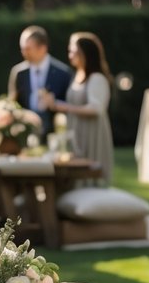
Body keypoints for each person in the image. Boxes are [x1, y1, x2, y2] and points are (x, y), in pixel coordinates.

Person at [39, 31, 114, 184]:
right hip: (77, 133)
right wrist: (54, 103)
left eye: (74, 51)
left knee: (89, 176)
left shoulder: (97, 78)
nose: (70, 55)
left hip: (92, 134)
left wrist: (64, 107)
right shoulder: (77, 76)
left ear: (85, 53)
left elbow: (96, 109)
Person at [7, 24, 72, 138]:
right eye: (22, 49)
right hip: (25, 135)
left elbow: (70, 105)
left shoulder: (63, 73)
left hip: (55, 135)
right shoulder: (18, 72)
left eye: (28, 49)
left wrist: (54, 103)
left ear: (43, 48)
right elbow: (12, 104)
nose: (24, 53)